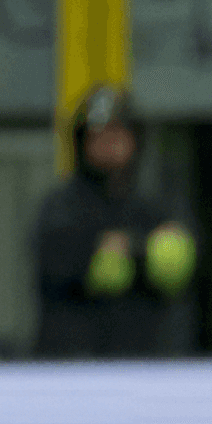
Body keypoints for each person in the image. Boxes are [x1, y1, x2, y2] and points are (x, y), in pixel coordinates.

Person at [32, 85, 196, 357]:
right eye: (98, 135)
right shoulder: (61, 209)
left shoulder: (156, 207)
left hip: (147, 362)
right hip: (73, 363)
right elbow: (58, 268)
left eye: (117, 132)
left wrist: (131, 249)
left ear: (135, 139)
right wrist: (102, 257)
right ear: (81, 142)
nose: (109, 143)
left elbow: (182, 274)